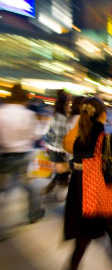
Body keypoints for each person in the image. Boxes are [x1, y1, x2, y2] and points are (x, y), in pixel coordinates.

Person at [64, 97, 112, 270]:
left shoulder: (79, 139)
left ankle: (72, 266)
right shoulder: (105, 138)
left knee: (82, 237)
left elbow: (76, 163)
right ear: (102, 115)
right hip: (98, 192)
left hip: (79, 195)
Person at [0, 85, 45, 227]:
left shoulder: (2, 112)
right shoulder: (28, 114)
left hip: (4, 155)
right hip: (23, 155)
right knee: (29, 186)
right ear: (24, 98)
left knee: (2, 187)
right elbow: (36, 135)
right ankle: (34, 214)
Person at [43, 90, 71, 194]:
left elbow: (46, 133)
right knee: (63, 173)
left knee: (61, 173)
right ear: (65, 106)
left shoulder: (53, 117)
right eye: (68, 105)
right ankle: (55, 192)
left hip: (51, 149)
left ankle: (50, 189)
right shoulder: (65, 120)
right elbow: (65, 137)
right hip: (59, 152)